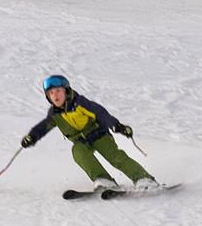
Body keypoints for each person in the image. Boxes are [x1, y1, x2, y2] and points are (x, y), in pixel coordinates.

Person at [21, 75, 159, 191]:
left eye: (58, 91)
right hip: (81, 142)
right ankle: (104, 180)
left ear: (66, 91)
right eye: (51, 93)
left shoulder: (80, 103)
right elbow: (43, 127)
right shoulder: (54, 114)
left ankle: (144, 179)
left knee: (115, 157)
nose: (55, 95)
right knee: (78, 152)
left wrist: (117, 126)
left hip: (99, 135)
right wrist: (31, 137)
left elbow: (101, 113)